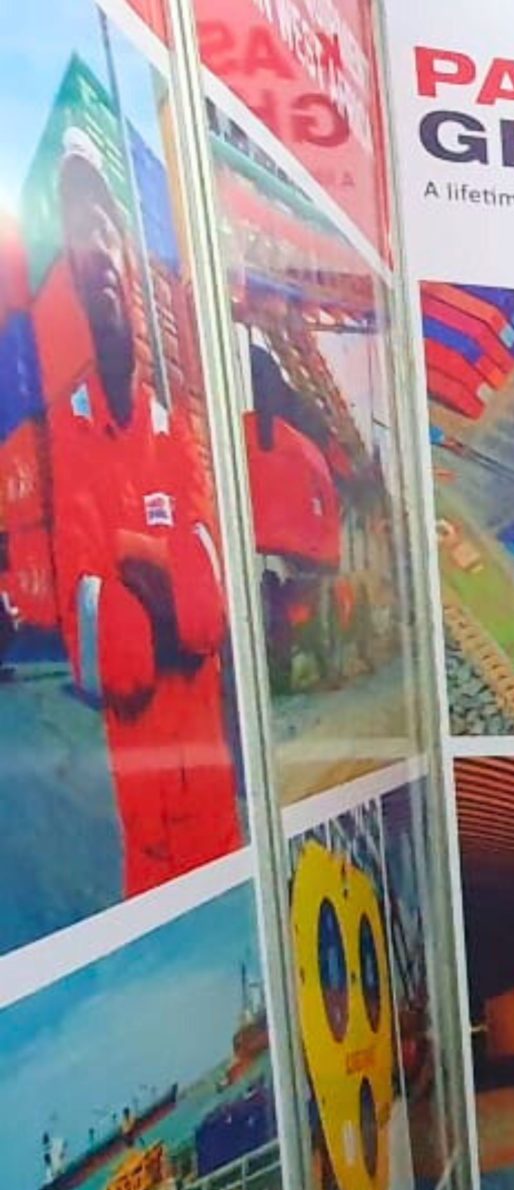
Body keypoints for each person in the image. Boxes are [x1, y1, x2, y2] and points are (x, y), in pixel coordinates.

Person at [41, 125, 240, 892]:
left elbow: (205, 608)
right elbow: (104, 645)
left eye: (103, 228)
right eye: (76, 234)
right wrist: (159, 571)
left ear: (125, 252)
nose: (94, 251)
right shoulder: (71, 435)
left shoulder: (173, 423)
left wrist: (135, 562)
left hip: (217, 825)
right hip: (150, 852)